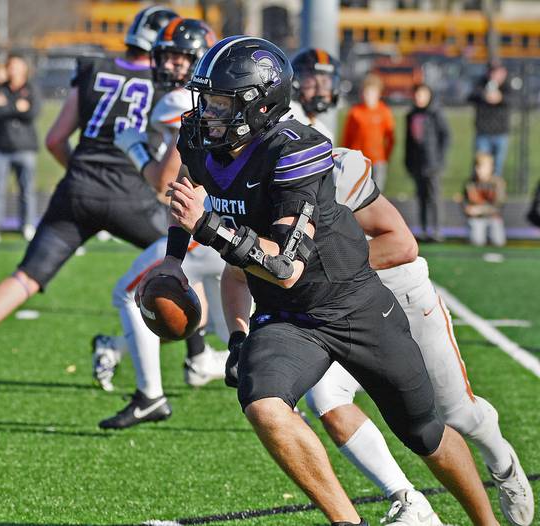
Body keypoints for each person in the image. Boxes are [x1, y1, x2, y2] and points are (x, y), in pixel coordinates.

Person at [141, 35, 499, 525]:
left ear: (259, 104)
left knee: (424, 433)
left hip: (351, 303)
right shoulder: (202, 139)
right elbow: (188, 196)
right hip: (287, 320)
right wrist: (173, 260)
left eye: (221, 103)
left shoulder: (296, 151)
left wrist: (207, 226)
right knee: (264, 405)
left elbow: (286, 267)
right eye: (207, 100)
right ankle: (346, 521)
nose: (207, 113)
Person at [0, 5, 180, 404]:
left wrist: (79, 172)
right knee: (182, 266)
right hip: (132, 194)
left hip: (77, 187)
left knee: (26, 276)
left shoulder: (93, 68)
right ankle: (195, 358)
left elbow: (56, 139)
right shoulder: (168, 87)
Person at [92, 18, 228, 429]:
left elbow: (167, 183)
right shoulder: (215, 100)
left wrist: (133, 147)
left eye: (180, 58)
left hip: (205, 228)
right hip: (231, 225)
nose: (169, 65)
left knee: (130, 293)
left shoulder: (180, 104)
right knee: (235, 328)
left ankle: (150, 394)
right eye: (165, 55)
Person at [0, 54, 42, 244]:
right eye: (11, 66)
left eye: (17, 66)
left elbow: (32, 112)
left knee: (27, 190)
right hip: (1, 146)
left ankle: (28, 225)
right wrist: (16, 108)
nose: (13, 70)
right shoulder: (0, 88)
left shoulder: (31, 89)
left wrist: (7, 107)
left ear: (24, 69)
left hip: (25, 147)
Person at [405, 83, 450, 242]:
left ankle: (437, 230)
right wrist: (408, 161)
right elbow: (408, 141)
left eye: (422, 94)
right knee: (421, 197)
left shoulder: (435, 113)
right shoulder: (411, 115)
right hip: (417, 163)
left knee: (435, 197)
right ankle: (423, 229)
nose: (419, 98)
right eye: (417, 94)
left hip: (432, 164)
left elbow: (445, 136)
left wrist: (439, 160)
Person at [342, 73, 395, 192]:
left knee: (377, 193)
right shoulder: (355, 112)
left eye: (372, 92)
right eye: (366, 92)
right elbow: (347, 137)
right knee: (358, 193)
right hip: (358, 160)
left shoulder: (384, 111)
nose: (369, 96)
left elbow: (390, 138)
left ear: (379, 93)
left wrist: (385, 157)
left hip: (377, 161)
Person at [469, 61, 512, 178]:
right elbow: (470, 96)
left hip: (500, 133)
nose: (494, 76)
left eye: (498, 72)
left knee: (497, 166)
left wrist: (500, 97)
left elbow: (514, 100)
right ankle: (479, 191)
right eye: (492, 72)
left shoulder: (507, 86)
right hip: (483, 132)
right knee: (481, 166)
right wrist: (484, 95)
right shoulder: (481, 84)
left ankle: (495, 191)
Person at [289, 47, 340, 141]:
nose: (320, 91)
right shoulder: (288, 115)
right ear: (296, 83)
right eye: (311, 82)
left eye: (325, 83)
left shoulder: (324, 132)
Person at [464, 152, 507, 247]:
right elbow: (466, 203)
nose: (478, 170)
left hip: (493, 218)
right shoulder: (470, 183)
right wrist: (466, 208)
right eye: (477, 167)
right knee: (477, 241)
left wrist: (480, 210)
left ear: (490, 168)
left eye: (482, 167)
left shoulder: (498, 183)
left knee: (498, 242)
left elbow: (499, 206)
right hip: (477, 219)